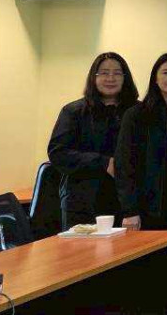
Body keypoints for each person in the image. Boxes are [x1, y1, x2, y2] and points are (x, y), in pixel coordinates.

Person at [48, 52, 139, 230]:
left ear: (125, 77)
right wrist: (103, 162)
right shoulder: (73, 111)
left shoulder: (137, 112)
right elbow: (57, 153)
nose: (110, 78)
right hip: (82, 202)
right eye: (104, 73)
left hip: (126, 203)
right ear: (93, 77)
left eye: (117, 73)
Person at [115, 53, 167, 230]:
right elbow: (124, 164)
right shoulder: (136, 115)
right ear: (155, 78)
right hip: (147, 209)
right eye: (165, 72)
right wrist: (130, 210)